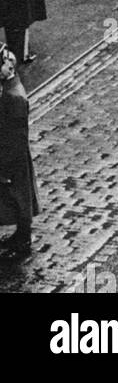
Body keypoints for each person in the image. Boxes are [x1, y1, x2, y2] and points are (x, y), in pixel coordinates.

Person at [0, 41, 38, 261]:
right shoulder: (11, 87)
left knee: (20, 198)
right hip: (14, 152)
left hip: (13, 155)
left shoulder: (13, 97)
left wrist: (7, 163)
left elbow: (15, 133)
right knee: (19, 196)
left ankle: (23, 240)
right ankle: (20, 236)